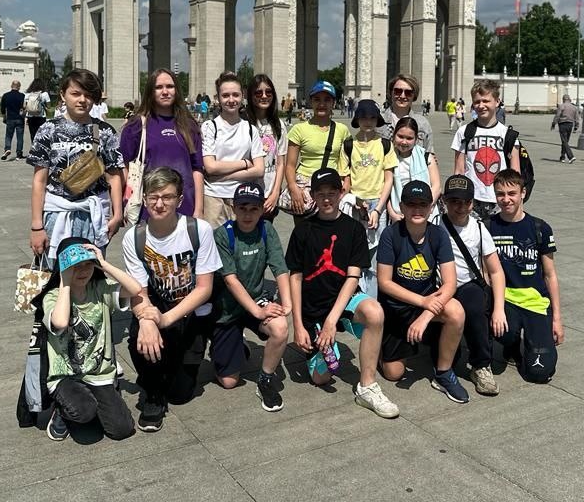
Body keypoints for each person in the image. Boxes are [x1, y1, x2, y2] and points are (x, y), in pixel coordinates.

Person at [286, 167, 400, 418]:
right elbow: (295, 277)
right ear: (312, 196)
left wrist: (332, 321)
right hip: (312, 306)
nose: (326, 199)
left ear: (341, 193)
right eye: (320, 193)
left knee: (374, 312)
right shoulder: (303, 230)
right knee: (321, 378)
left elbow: (353, 277)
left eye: (332, 193)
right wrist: (298, 325)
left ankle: (367, 386)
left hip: (344, 299)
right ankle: (324, 344)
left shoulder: (353, 228)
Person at [121, 167, 222, 432]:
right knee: (141, 340)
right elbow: (139, 292)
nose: (159, 203)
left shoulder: (198, 230)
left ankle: (177, 363)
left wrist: (165, 320)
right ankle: (152, 392)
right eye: (153, 196)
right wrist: (147, 322)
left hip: (190, 309)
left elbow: (204, 289)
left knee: (181, 393)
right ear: (144, 198)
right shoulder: (135, 237)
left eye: (167, 197)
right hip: (156, 304)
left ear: (179, 200)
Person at [38, 237, 142, 442]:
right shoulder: (53, 296)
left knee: (122, 429)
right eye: (75, 266)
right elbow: (60, 322)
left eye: (88, 264)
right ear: (63, 268)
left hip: (98, 372)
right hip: (65, 375)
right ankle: (62, 411)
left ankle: (91, 401)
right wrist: (65, 282)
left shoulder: (101, 289)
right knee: (84, 411)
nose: (83, 270)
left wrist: (103, 264)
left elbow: (135, 289)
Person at [376, 180, 470, 404]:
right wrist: (422, 302)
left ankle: (443, 373)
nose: (417, 210)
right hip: (397, 308)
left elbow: (450, 283)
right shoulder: (390, 235)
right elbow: (384, 282)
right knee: (394, 373)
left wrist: (426, 314)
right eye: (411, 204)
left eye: (422, 204)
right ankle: (381, 347)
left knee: (456, 311)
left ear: (431, 206)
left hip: (426, 304)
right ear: (401, 207)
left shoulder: (438, 234)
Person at [28, 69, 125, 265]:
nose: (82, 100)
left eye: (88, 95)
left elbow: (114, 176)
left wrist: (117, 214)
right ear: (63, 95)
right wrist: (37, 226)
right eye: (76, 93)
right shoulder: (48, 129)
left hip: (93, 215)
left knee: (91, 272)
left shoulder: (105, 131)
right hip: (57, 214)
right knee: (53, 273)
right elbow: (39, 180)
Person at [210, 182, 291, 411]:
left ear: (262, 209)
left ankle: (265, 379)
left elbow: (280, 268)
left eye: (254, 209)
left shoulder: (266, 229)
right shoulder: (223, 235)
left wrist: (287, 304)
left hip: (256, 298)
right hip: (228, 307)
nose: (248, 214)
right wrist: (257, 312)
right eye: (242, 208)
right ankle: (233, 344)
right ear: (233, 207)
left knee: (280, 327)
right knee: (229, 381)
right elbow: (230, 279)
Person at [485, 169, 563, 384]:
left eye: (512, 193)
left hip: (535, 302)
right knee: (504, 333)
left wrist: (557, 319)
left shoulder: (540, 228)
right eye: (500, 194)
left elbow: (550, 275)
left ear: (523, 193)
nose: (506, 199)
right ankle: (509, 342)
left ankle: (530, 342)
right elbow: (485, 273)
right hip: (504, 300)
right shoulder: (488, 227)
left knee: (539, 374)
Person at [441, 175, 507, 396]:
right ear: (444, 201)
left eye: (466, 202)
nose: (460, 207)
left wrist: (499, 309)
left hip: (466, 285)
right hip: (441, 287)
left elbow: (496, 271)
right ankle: (446, 360)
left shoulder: (478, 228)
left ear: (472, 203)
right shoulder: (435, 226)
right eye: (454, 201)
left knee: (475, 305)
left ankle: (481, 365)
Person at [119, 68, 204, 220]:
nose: (165, 92)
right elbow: (124, 167)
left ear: (176, 90)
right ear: (150, 92)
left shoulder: (189, 125)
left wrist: (199, 209)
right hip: (149, 209)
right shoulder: (136, 125)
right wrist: (120, 206)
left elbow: (197, 169)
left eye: (170, 86)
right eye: (158, 87)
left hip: (185, 208)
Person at [341, 99, 397, 297]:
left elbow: (388, 179)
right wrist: (354, 201)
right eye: (363, 117)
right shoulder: (349, 145)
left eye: (372, 117)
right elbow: (345, 180)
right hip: (355, 204)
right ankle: (354, 297)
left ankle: (372, 300)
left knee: (375, 256)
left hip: (376, 204)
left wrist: (378, 209)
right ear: (357, 119)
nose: (368, 121)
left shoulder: (385, 144)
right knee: (353, 252)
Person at [201, 71, 266, 227]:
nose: (231, 100)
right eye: (225, 95)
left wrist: (223, 176)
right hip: (214, 198)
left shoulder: (251, 129)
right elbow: (210, 167)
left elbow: (259, 170)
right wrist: (245, 163)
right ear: (218, 98)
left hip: (243, 198)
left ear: (242, 96)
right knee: (215, 241)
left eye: (235, 95)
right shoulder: (209, 127)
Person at [451, 80, 521, 220]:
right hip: (471, 199)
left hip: (500, 200)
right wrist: (458, 198)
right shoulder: (464, 132)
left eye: (486, 101)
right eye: (477, 102)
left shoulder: (508, 135)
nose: (481, 105)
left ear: (497, 102)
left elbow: (516, 174)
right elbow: (459, 170)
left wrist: (518, 208)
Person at [283, 80, 352, 216]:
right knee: (305, 228)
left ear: (334, 103)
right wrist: (293, 188)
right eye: (317, 99)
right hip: (305, 189)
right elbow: (290, 165)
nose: (322, 104)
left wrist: (347, 182)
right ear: (311, 102)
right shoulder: (298, 129)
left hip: (331, 187)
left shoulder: (343, 130)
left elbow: (346, 162)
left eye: (327, 100)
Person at [247, 73, 288, 222]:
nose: (264, 96)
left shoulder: (279, 125)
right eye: (258, 92)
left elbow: (281, 163)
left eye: (268, 92)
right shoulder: (243, 123)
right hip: (246, 194)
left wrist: (275, 193)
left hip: (269, 195)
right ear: (251, 96)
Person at [386, 116, 440, 226]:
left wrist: (424, 208)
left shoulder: (426, 157)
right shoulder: (388, 158)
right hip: (398, 214)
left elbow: (437, 187)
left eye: (409, 138)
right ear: (394, 135)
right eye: (400, 136)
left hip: (425, 213)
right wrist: (392, 213)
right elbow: (385, 190)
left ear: (416, 139)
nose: (404, 142)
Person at [378, 74, 434, 153]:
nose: (402, 96)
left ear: (414, 96)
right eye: (398, 91)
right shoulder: (377, 119)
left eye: (408, 93)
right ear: (391, 92)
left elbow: (429, 153)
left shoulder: (422, 123)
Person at [0, 79, 26, 161]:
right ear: (19, 87)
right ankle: (19, 153)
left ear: (11, 86)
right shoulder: (22, 96)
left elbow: (2, 108)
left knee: (8, 135)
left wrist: (4, 116)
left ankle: (7, 149)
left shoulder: (6, 95)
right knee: (20, 137)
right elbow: (24, 107)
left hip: (10, 118)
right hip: (20, 119)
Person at [551, 94, 580, 164]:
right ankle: (562, 157)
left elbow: (557, 115)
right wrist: (576, 126)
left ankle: (571, 156)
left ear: (563, 99)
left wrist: (553, 123)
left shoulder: (561, 106)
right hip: (570, 125)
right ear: (569, 99)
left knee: (564, 141)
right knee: (565, 141)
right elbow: (577, 118)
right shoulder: (574, 107)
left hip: (562, 124)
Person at [23, 79, 51, 147]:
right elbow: (49, 106)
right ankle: (40, 148)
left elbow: (24, 106)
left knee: (32, 134)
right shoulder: (44, 94)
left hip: (30, 116)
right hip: (41, 117)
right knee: (41, 134)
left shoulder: (28, 94)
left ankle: (34, 148)